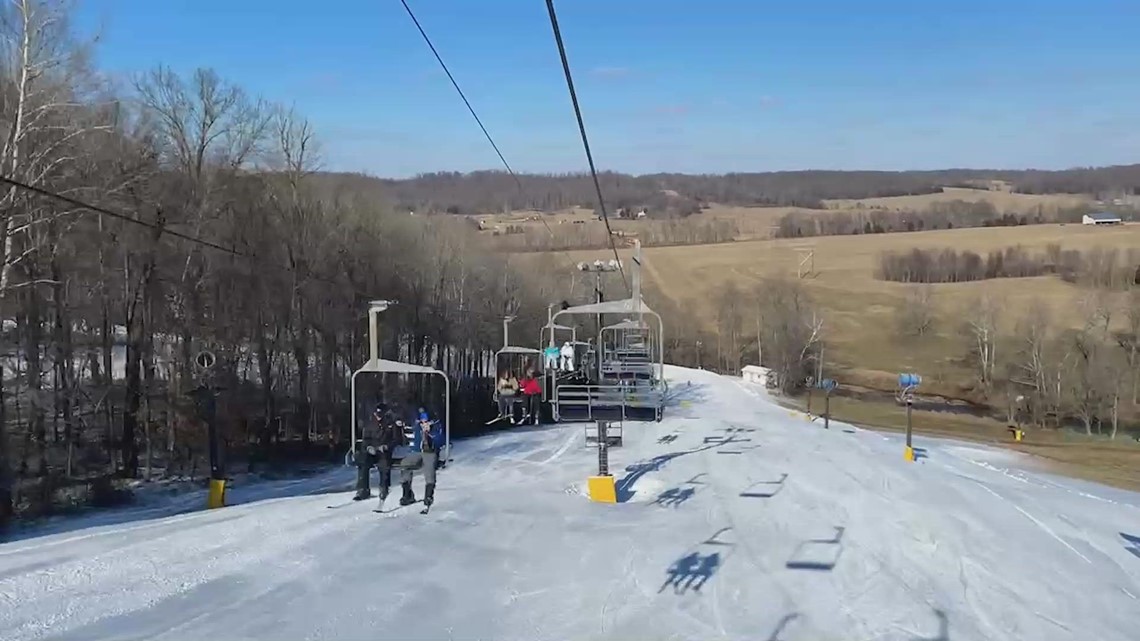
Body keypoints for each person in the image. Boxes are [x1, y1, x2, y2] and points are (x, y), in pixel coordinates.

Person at [354, 403, 406, 501]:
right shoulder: (370, 424)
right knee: (363, 461)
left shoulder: (390, 424)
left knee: (384, 464)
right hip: (372, 451)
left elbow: (397, 439)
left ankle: (384, 487)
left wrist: (387, 446)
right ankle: (363, 489)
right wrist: (369, 447)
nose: (378, 416)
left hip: (384, 451)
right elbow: (366, 440)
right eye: (376, 414)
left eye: (380, 414)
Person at [397, 407, 445, 507]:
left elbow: (440, 440)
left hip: (430, 452)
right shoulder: (417, 427)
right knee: (405, 464)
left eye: (426, 422)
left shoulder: (436, 427)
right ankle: (407, 493)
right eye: (422, 422)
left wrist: (430, 433)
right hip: (417, 452)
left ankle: (428, 495)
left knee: (429, 469)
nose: (424, 424)